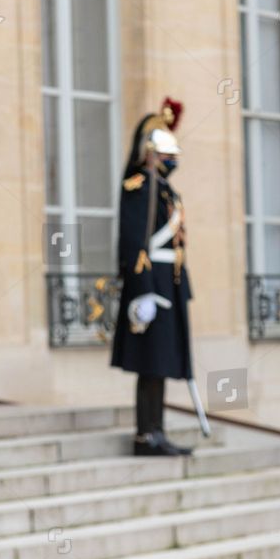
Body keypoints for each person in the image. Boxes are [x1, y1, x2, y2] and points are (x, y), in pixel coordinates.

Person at [110, 97, 194, 456]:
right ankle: (145, 434)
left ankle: (157, 428)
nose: (170, 160)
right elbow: (134, 240)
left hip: (168, 281)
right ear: (149, 152)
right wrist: (141, 290)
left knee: (162, 362)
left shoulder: (164, 190)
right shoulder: (138, 186)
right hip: (150, 282)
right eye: (164, 153)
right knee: (150, 362)